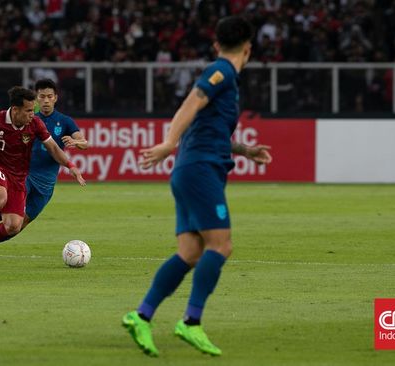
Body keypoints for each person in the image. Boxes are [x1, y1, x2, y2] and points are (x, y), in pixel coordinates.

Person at [121, 16, 272, 357]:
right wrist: (168, 143)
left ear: (217, 43)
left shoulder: (224, 76)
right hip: (200, 169)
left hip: (194, 168)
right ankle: (191, 322)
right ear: (247, 49)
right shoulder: (222, 72)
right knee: (221, 245)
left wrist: (245, 150)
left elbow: (208, 127)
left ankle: (141, 315)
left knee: (190, 252)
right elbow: (191, 103)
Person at [0, 79, 88, 257]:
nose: (32, 114)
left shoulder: (36, 124)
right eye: (28, 111)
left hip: (20, 176)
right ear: (15, 110)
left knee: (13, 226)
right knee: (0, 195)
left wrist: (70, 165)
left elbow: (54, 148)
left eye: (32, 110)